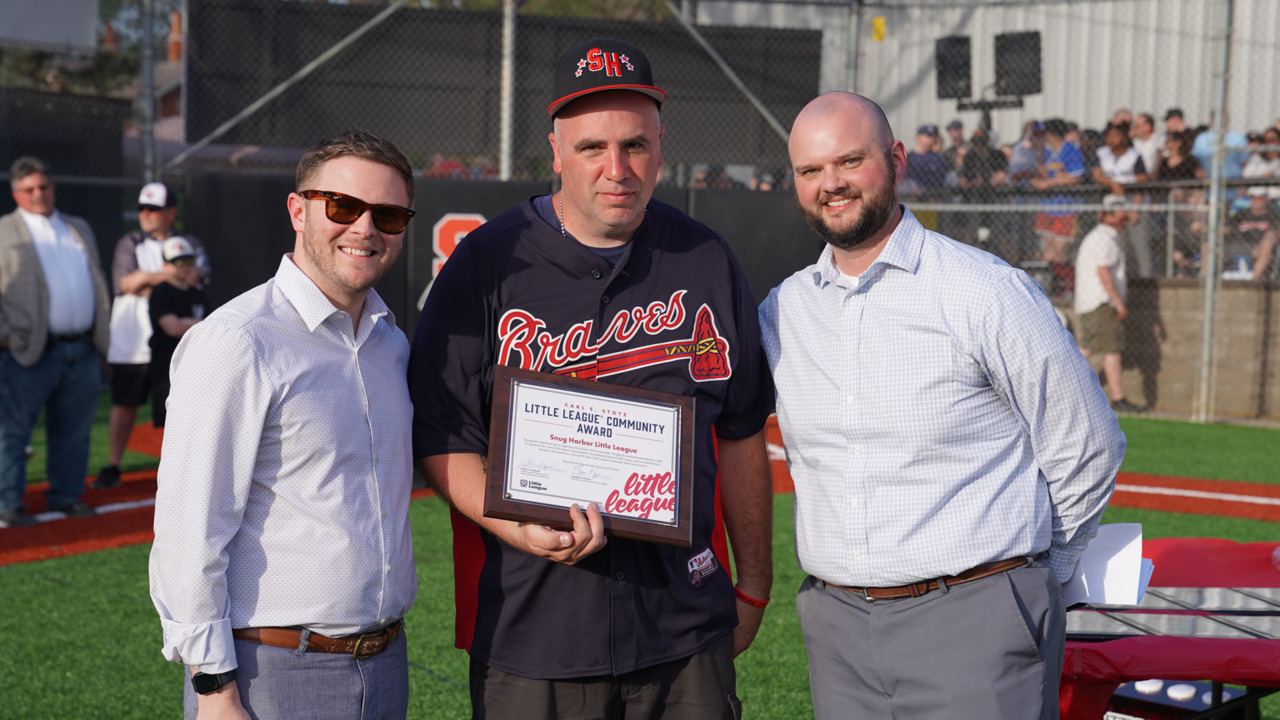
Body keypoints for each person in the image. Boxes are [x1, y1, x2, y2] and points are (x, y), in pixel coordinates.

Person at [408, 37, 775, 719]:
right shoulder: (486, 264)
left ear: (661, 148)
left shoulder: (705, 261)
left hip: (683, 629)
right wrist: (518, 529)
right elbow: (440, 430)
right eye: (591, 148)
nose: (617, 169)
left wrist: (754, 584)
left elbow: (742, 427)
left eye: (635, 146)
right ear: (554, 153)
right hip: (533, 631)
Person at [759, 92, 1125, 720]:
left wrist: (1040, 573)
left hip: (975, 618)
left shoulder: (984, 290)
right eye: (810, 170)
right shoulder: (784, 310)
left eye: (851, 161)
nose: (832, 184)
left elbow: (1089, 442)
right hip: (836, 628)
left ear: (896, 158)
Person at [149, 129, 419, 719]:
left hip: (385, 663)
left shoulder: (389, 343)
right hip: (267, 672)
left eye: (390, 214)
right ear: (298, 209)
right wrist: (215, 689)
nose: (365, 228)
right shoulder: (237, 339)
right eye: (343, 207)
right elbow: (189, 528)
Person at [0, 156, 111, 528]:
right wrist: (6, 337)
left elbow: (94, 281)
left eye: (43, 186)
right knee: (12, 431)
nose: (38, 194)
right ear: (16, 193)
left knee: (74, 432)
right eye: (29, 189)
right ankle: (8, 502)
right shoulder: (4, 232)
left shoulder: (78, 226)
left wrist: (99, 340)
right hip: (28, 352)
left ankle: (66, 495)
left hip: (80, 349)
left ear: (53, 187)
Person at [96, 182, 210, 489]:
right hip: (131, 340)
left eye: (153, 209)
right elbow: (127, 283)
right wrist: (172, 277)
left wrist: (150, 279)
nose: (145, 214)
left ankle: (176, 469)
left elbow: (197, 277)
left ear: (171, 212)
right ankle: (113, 465)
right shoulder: (129, 242)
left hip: (175, 343)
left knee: (178, 404)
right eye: (142, 208)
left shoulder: (190, 241)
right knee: (125, 401)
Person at [1075, 195, 1144, 413]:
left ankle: (1117, 397)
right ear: (1107, 216)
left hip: (1096, 301)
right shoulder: (1103, 238)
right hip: (1101, 302)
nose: (1124, 220)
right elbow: (1103, 271)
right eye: (1119, 215)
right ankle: (1117, 398)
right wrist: (1118, 302)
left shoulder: (1103, 236)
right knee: (1096, 348)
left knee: (1101, 347)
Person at [146, 237, 208, 429]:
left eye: (188, 260)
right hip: (167, 369)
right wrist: (199, 325)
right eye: (178, 261)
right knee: (169, 429)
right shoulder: (161, 292)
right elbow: (172, 327)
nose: (184, 266)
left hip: (196, 367)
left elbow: (210, 326)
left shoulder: (198, 293)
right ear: (165, 265)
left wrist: (187, 324)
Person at [1032, 118, 1087, 285]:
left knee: (1060, 251)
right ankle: (1049, 286)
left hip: (1066, 208)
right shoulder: (1047, 153)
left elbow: (1076, 177)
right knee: (1047, 251)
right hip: (1048, 207)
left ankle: (1062, 286)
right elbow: (1045, 175)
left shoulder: (1071, 150)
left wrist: (1050, 183)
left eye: (1045, 134)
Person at [1219, 186, 1280, 281]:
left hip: (1260, 247)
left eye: (1260, 197)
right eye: (1253, 197)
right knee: (1215, 236)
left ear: (1266, 198)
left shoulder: (1274, 213)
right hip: (1236, 245)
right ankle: (1205, 277)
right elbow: (1227, 227)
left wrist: (1261, 246)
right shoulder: (1241, 214)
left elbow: (1276, 232)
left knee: (1269, 239)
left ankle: (1253, 280)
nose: (1256, 200)